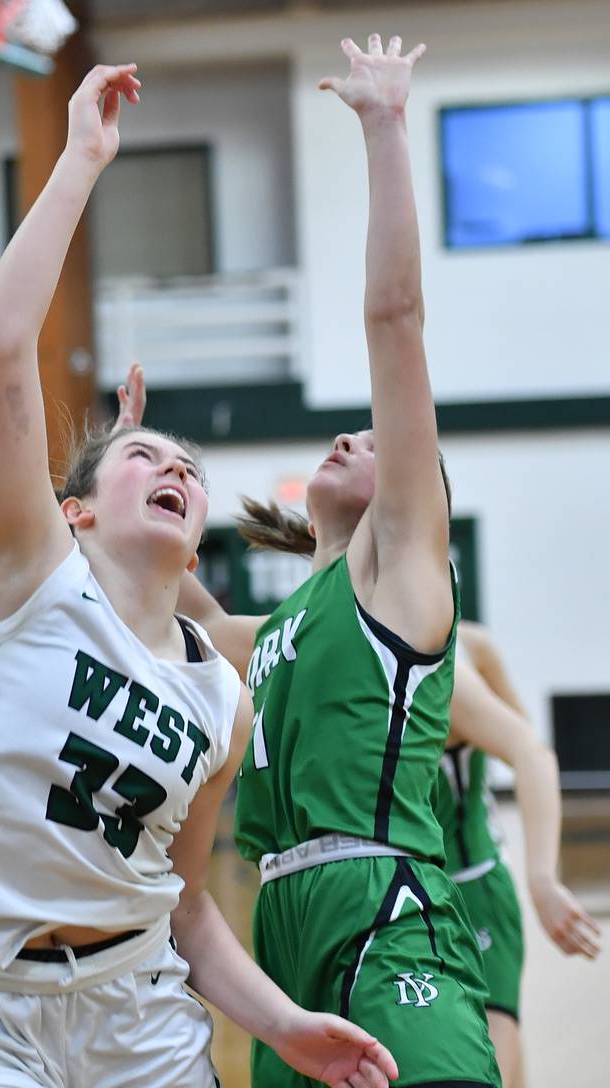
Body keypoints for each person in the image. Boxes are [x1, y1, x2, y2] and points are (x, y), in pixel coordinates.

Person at [0, 62, 399, 1088]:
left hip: (139, 1008)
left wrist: (285, 1022)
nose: (173, 464)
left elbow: (188, 901)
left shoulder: (220, 692)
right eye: (142, 455)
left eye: (188, 467)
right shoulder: (26, 577)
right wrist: (82, 157)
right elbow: (0, 352)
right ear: (71, 510)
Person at [133, 33, 501, 1088]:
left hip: (383, 903)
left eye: (377, 439)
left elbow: (393, 319)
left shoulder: (401, 582)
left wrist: (384, 129)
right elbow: (170, 600)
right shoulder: (282, 625)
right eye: (345, 432)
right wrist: (124, 468)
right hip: (275, 929)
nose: (350, 437)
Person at [440, 623, 601, 1088]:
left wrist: (542, 877)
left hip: (476, 884)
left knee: (493, 1057)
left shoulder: (471, 650)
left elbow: (528, 751)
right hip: (408, 893)